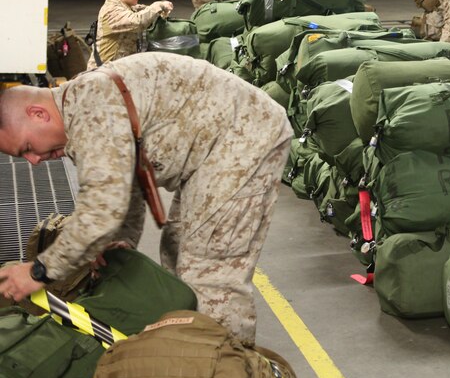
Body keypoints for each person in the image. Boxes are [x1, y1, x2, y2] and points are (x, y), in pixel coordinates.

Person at [0, 53, 293, 346]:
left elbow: (100, 211)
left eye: (27, 147)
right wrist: (120, 238)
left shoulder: (91, 110)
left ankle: (228, 377)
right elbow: (125, 183)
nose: (34, 160)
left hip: (245, 140)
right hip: (217, 151)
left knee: (210, 275)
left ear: (38, 114)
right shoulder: (80, 107)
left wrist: (39, 272)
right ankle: (192, 351)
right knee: (176, 248)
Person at [88, 0, 173, 69]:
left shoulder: (126, 7)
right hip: (102, 73)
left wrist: (160, 9)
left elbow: (143, 10)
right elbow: (138, 22)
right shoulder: (111, 10)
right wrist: (158, 6)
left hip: (117, 71)